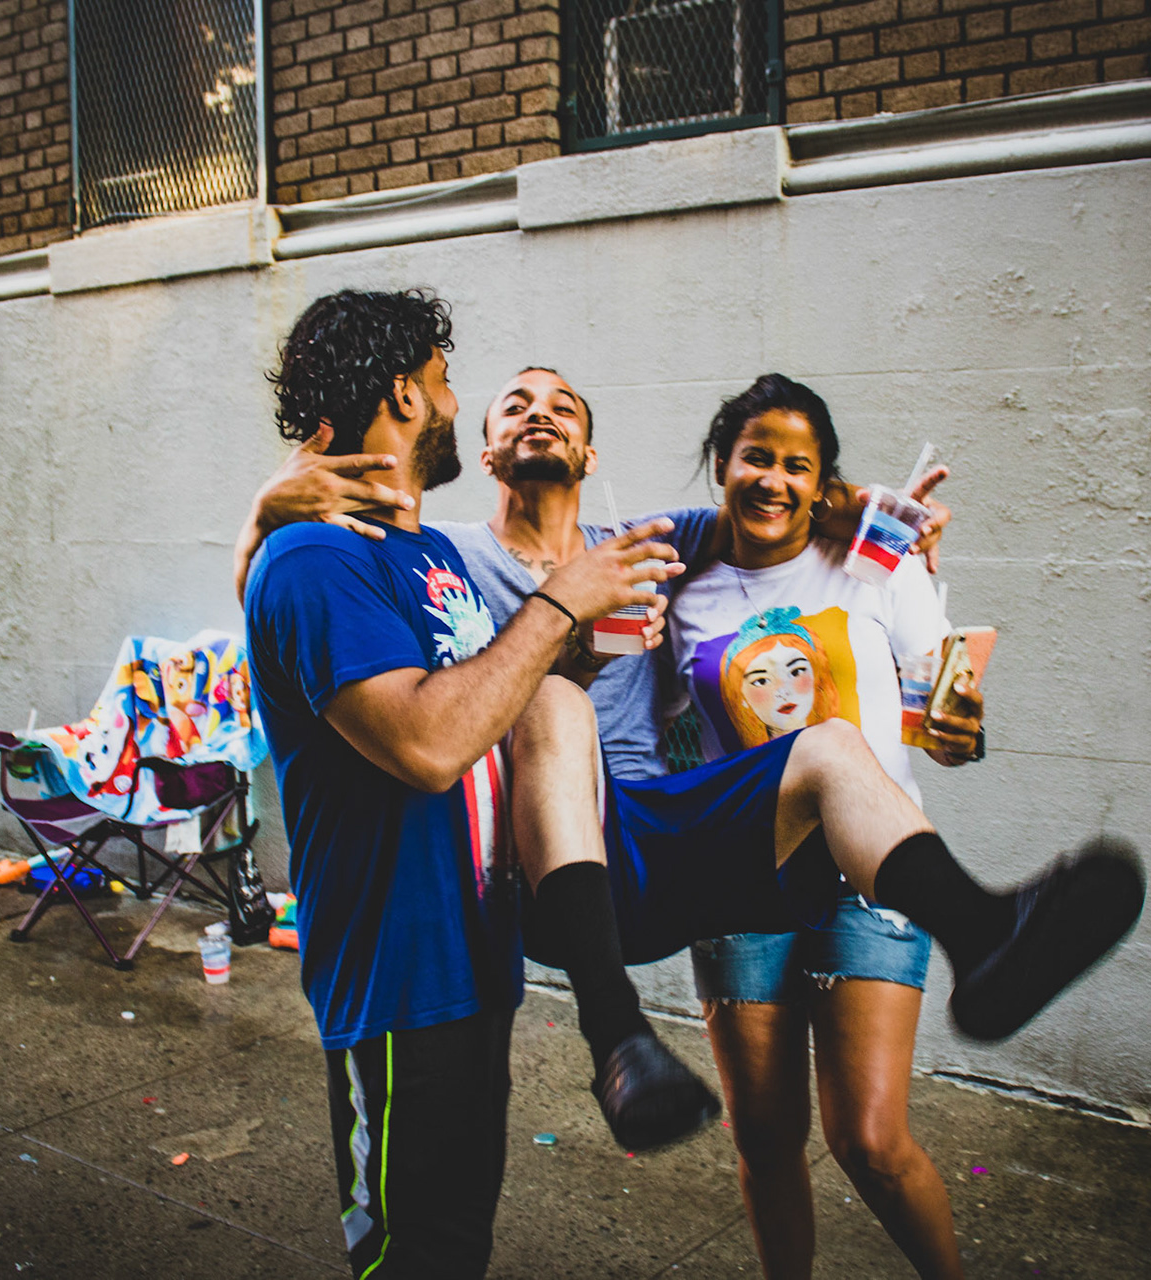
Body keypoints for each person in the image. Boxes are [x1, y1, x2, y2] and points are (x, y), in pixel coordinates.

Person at [242, 289, 705, 1277]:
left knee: (457, 1246)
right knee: (414, 1256)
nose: (455, 402)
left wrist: (573, 657)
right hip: (398, 977)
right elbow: (427, 742)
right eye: (448, 382)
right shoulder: (317, 556)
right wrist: (559, 602)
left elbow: (489, 700)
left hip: (471, 958)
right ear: (406, 394)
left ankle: (612, 1023)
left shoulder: (419, 556)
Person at [668, 374, 980, 1278]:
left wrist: (963, 727)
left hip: (869, 880)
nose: (773, 480)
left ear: (822, 482)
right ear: (721, 465)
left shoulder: (875, 567)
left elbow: (945, 716)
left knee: (871, 1142)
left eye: (796, 466)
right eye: (755, 457)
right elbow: (665, 739)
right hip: (741, 883)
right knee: (766, 1142)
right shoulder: (681, 594)